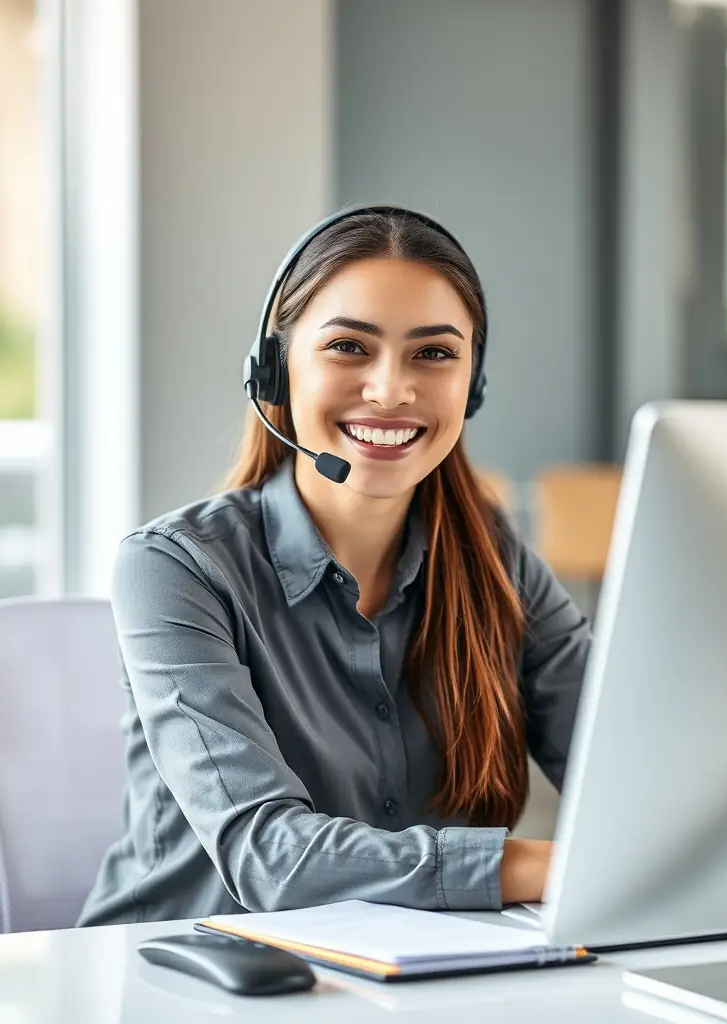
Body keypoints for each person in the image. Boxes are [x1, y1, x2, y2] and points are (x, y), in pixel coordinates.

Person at [78, 207, 591, 927]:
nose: (390, 390)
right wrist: (551, 865)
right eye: (350, 347)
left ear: (473, 385)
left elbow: (625, 773)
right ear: (277, 371)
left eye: (434, 354)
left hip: (407, 973)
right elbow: (270, 856)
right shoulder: (176, 568)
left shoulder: (495, 560)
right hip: (177, 974)